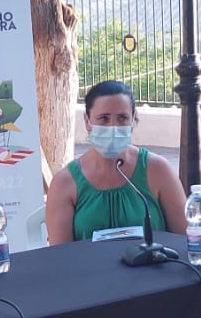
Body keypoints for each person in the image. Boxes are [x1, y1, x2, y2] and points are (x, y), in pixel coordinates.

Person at [46, 80, 189, 243]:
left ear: (133, 120)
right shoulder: (65, 182)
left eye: (122, 118)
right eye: (103, 118)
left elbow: (185, 239)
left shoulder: (157, 170)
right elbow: (60, 256)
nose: (113, 126)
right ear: (87, 121)